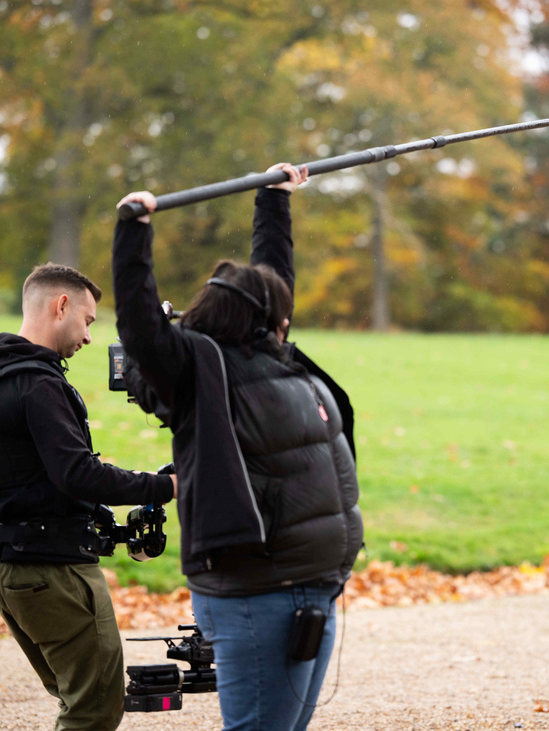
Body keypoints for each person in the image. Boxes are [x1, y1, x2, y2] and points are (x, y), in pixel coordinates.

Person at [112, 162, 363, 731]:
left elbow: (273, 280)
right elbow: (142, 327)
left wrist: (273, 199)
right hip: (259, 595)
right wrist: (133, 234)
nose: (287, 317)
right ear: (257, 316)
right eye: (278, 311)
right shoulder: (201, 374)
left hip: (313, 587)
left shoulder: (271, 357)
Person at [0, 263, 177, 731]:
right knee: (93, 708)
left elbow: (33, 476)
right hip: (51, 570)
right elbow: (78, 474)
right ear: (61, 306)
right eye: (88, 320)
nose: (90, 337)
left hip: (7, 567)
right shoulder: (38, 383)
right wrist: (165, 486)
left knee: (78, 699)